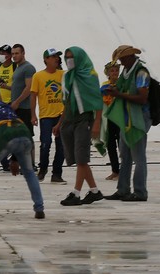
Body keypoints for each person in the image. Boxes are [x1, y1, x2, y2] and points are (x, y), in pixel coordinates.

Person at [56, 47, 105, 206]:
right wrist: (60, 123)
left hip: (84, 120)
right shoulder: (67, 76)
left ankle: (76, 193)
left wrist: (97, 122)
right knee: (78, 159)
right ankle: (94, 191)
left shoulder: (90, 75)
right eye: (66, 57)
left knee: (81, 157)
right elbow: (67, 102)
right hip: (69, 121)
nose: (69, 60)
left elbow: (97, 100)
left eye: (72, 57)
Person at [104, 45, 151, 202]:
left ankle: (140, 192)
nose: (121, 63)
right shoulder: (126, 72)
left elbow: (143, 98)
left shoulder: (141, 72)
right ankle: (123, 190)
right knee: (125, 154)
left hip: (139, 119)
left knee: (138, 157)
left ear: (131, 57)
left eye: (123, 59)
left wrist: (119, 94)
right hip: (127, 118)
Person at [30, 48, 66, 183]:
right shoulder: (38, 76)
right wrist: (33, 115)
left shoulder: (63, 74)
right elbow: (33, 96)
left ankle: (57, 173)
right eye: (53, 57)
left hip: (61, 114)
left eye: (57, 56)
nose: (56, 59)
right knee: (45, 143)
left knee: (61, 145)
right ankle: (43, 168)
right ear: (46, 59)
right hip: (46, 115)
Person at [100, 60, 121, 181]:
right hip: (109, 119)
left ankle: (123, 170)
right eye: (112, 71)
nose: (114, 73)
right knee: (111, 145)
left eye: (116, 70)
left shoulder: (122, 84)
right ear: (107, 73)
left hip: (120, 118)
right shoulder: (104, 86)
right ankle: (115, 170)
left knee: (122, 145)